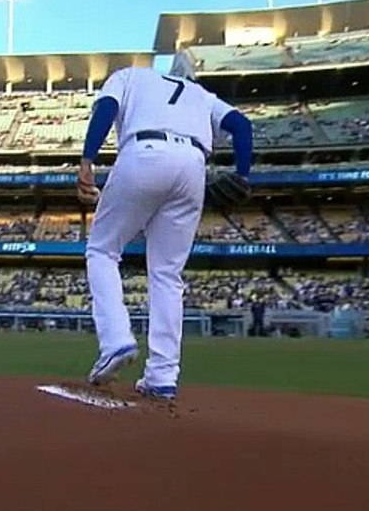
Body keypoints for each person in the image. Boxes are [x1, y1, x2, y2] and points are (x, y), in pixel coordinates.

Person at [76, 51, 253, 400]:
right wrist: (243, 175)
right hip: (192, 167)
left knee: (102, 249)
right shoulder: (202, 96)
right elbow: (243, 126)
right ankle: (162, 376)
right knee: (168, 274)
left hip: (144, 151)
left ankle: (116, 342)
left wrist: (87, 159)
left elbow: (106, 109)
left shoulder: (130, 76)